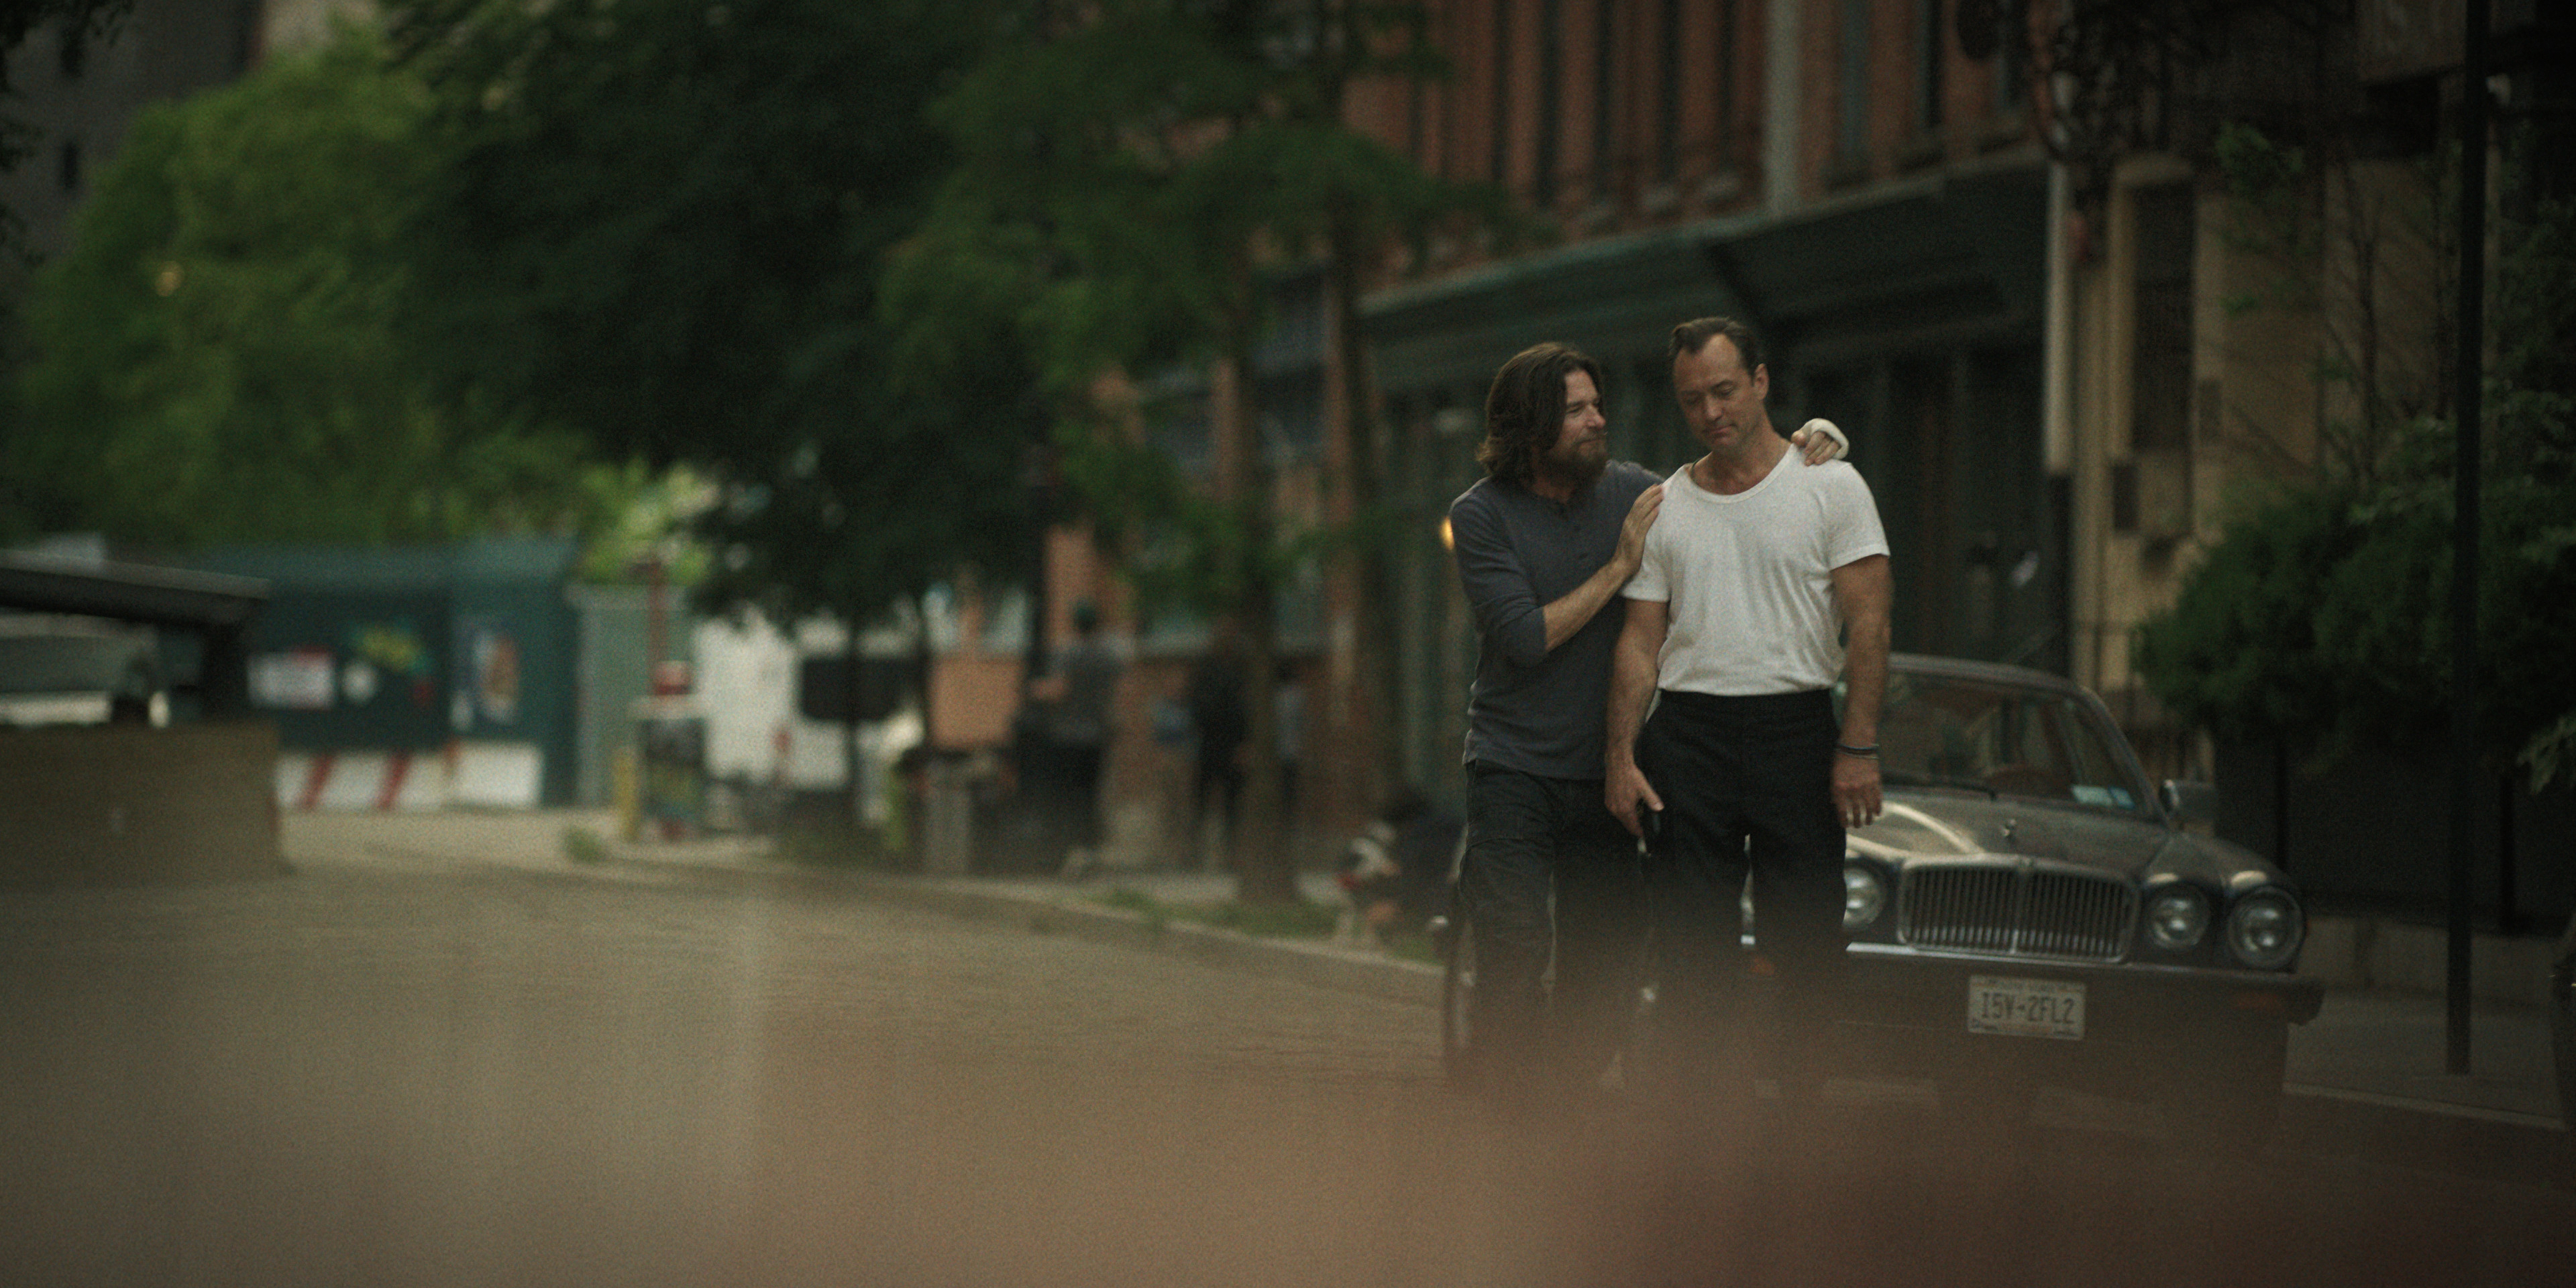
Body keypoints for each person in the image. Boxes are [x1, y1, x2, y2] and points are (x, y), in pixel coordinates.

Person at [1447, 341, 1844, 1108]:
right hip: (1513, 767)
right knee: (1518, 941)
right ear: (1532, 427)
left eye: (1599, 403)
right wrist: (1619, 565)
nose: (1600, 420)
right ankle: (1504, 1103)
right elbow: (1525, 637)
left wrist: (1810, 443)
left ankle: (1558, 1088)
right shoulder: (1481, 514)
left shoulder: (1633, 488)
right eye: (1578, 410)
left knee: (1606, 963)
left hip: (1609, 773)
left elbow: (1729, 483)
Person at [1604, 316, 1893, 1111]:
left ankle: (1797, 1106)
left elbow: (1869, 623)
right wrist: (1620, 756)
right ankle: (1698, 1114)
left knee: (1805, 935)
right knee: (1692, 941)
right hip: (1688, 732)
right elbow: (1639, 642)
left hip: (1795, 729)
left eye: (1726, 391)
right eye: (1693, 399)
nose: (1711, 412)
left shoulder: (1830, 485)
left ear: (1762, 382)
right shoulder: (1668, 507)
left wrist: (1858, 743)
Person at [1029, 600, 1123, 874]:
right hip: (1098, 736)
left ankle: (1066, 852)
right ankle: (1090, 852)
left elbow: (1059, 691)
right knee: (1090, 794)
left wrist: (1036, 690)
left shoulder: (1068, 653)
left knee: (1067, 796)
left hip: (1068, 736)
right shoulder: (1109, 656)